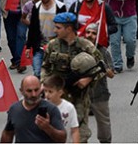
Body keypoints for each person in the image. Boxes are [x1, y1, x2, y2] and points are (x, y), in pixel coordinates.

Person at [40, 12, 104, 142]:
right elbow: (45, 67)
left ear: (69, 29)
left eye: (58, 27)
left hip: (79, 96)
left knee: (80, 133)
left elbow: (101, 68)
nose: (54, 30)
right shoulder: (53, 45)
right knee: (55, 130)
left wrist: (88, 79)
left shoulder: (86, 46)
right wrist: (44, 84)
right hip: (57, 96)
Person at [0, 75, 66, 143]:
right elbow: (8, 134)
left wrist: (47, 127)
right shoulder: (14, 109)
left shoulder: (51, 109)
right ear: (21, 91)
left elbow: (62, 139)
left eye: (36, 90)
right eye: (29, 91)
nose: (34, 94)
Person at [27, 0, 66, 78]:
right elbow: (32, 27)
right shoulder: (36, 7)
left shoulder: (60, 7)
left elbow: (64, 28)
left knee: (54, 74)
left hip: (56, 46)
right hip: (39, 45)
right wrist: (28, 46)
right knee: (37, 73)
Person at [84, 23, 114, 144]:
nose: (90, 35)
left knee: (103, 124)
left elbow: (111, 73)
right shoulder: (80, 50)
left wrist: (102, 67)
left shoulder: (103, 52)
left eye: (94, 33)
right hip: (82, 94)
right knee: (80, 125)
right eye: (88, 32)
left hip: (99, 93)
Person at [43, 76, 79, 143]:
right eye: (45, 91)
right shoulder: (42, 106)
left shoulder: (69, 107)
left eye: (50, 92)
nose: (47, 95)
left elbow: (74, 130)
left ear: (60, 93)